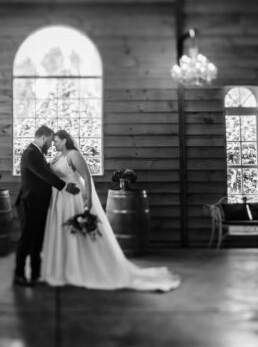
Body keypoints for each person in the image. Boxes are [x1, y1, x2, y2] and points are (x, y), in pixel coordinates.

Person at [41, 130, 180, 292]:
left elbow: (86, 177)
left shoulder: (73, 155)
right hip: (61, 198)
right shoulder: (58, 156)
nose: (54, 144)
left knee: (77, 233)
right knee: (64, 233)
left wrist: (89, 201)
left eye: (56, 141)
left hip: (74, 199)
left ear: (65, 140)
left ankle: (83, 266)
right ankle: (66, 265)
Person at [14, 125, 80, 287]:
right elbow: (44, 174)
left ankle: (36, 273)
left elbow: (46, 172)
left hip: (38, 203)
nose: (51, 146)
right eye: (50, 142)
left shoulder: (37, 153)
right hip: (29, 202)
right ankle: (19, 275)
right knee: (27, 239)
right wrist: (65, 187)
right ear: (43, 138)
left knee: (37, 240)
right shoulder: (31, 153)